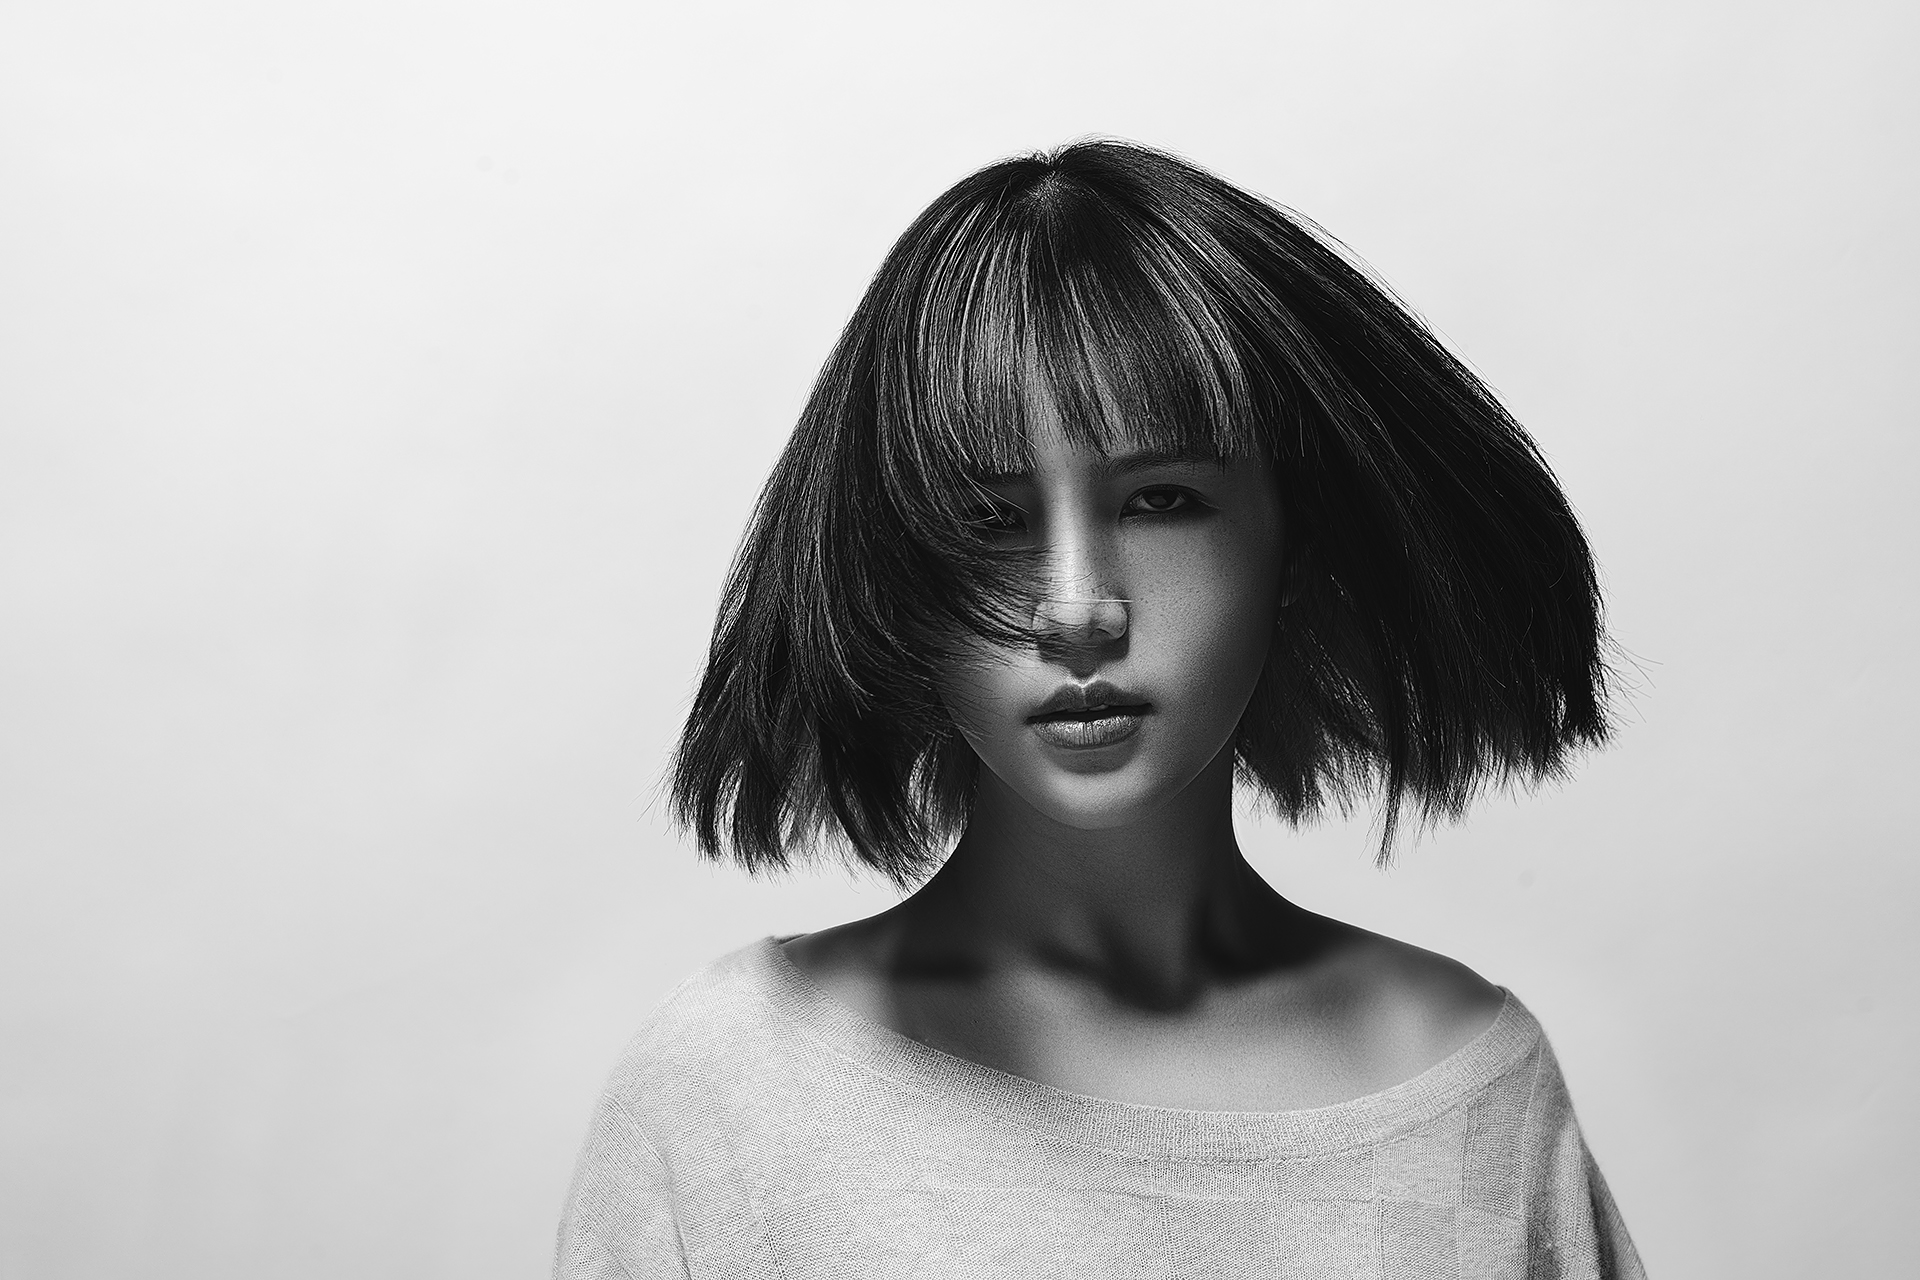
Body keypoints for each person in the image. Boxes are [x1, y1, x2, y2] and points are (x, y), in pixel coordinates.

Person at [555, 140, 1646, 1278]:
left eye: (1162, 500)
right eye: (988, 520)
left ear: (1293, 543)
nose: (1077, 609)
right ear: (897, 571)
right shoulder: (727, 1094)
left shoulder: (1470, 1093)